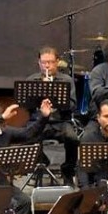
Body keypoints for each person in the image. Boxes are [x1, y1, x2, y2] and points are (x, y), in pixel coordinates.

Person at [26, 46, 81, 185]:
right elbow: (27, 107)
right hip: (39, 120)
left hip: (61, 121)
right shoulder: (32, 80)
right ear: (39, 63)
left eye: (50, 62)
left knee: (72, 138)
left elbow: (73, 105)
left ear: (57, 62)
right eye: (44, 62)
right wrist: (40, 95)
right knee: (27, 136)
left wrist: (54, 96)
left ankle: (67, 171)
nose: (47, 65)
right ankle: (42, 163)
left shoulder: (66, 80)